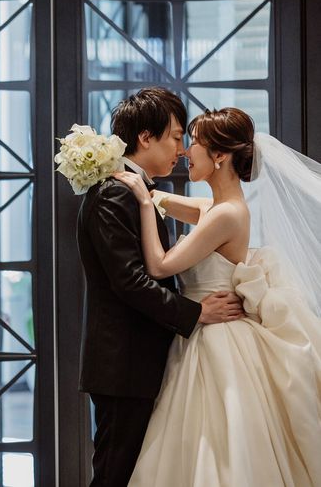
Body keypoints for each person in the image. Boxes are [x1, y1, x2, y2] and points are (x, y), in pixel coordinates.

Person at [115, 107, 321, 486]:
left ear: (220, 155)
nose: (185, 152)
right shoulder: (215, 208)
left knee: (216, 444)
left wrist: (143, 203)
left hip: (217, 338)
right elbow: (163, 198)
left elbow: (159, 266)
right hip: (202, 331)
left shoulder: (227, 215)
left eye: (193, 143)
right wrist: (130, 178)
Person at [76, 88, 244, 487]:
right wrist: (198, 312)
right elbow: (130, 281)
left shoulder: (137, 190)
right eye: (176, 137)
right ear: (145, 137)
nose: (182, 150)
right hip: (124, 365)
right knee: (116, 474)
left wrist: (151, 198)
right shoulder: (115, 193)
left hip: (145, 361)